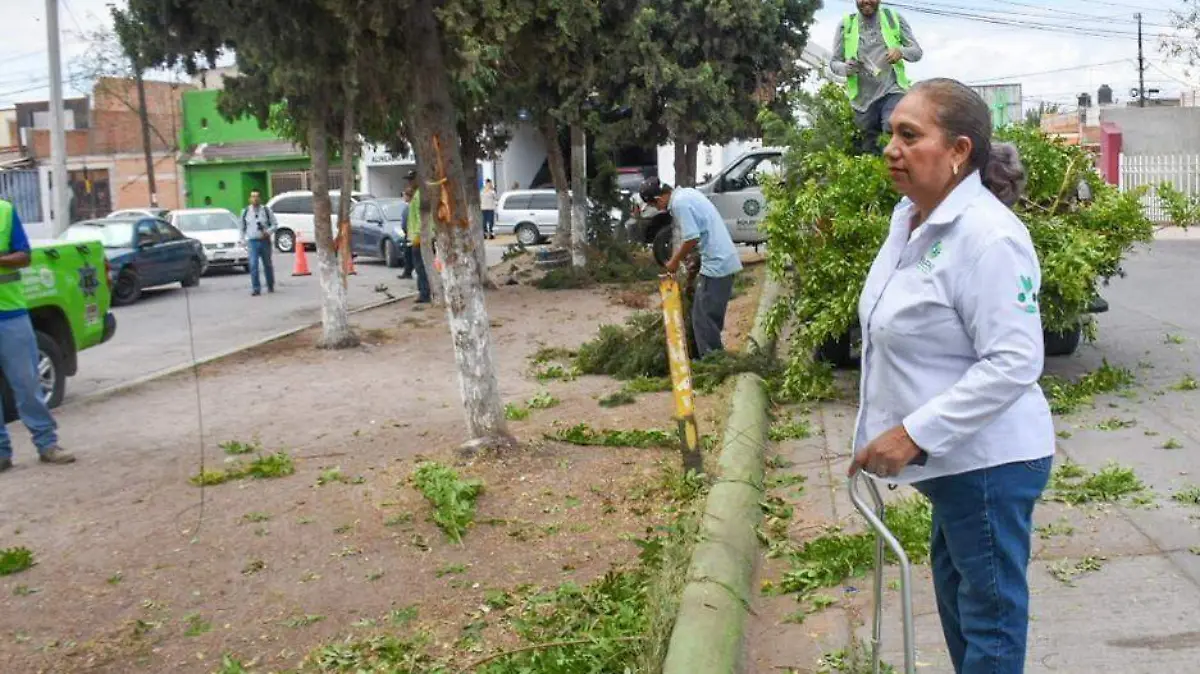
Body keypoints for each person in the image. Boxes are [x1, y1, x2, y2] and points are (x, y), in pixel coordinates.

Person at [848, 78, 1053, 674]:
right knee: (963, 617)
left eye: (910, 136)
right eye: (891, 134)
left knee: (988, 626)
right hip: (953, 466)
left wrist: (913, 433)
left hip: (988, 464)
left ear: (959, 151)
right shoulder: (910, 219)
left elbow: (1015, 361)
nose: (892, 148)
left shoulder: (989, 239)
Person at [0, 200, 75, 471]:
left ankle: (47, 444)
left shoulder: (4, 211)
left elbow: (24, 256)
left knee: (27, 383)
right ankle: (1, 454)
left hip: (10, 312)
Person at [639, 177, 742, 357]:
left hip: (718, 264)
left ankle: (713, 362)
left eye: (655, 205)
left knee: (703, 319)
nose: (658, 209)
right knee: (707, 315)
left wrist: (674, 261)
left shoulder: (679, 204)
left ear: (660, 198)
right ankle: (714, 358)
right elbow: (703, 230)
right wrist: (695, 260)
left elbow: (692, 237)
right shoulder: (687, 193)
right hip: (721, 260)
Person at [830, 0, 923, 156]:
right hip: (862, 103)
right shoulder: (846, 25)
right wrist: (846, 68)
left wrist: (901, 52)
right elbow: (834, 63)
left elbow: (917, 52)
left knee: (891, 128)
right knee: (869, 152)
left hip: (892, 91)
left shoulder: (893, 18)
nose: (866, 1)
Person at [239, 189, 277, 296]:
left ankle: (270, 285)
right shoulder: (245, 211)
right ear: (249, 199)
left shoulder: (266, 210)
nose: (255, 199)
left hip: (264, 241)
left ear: (260, 198)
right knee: (253, 265)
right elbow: (242, 227)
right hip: (252, 242)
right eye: (252, 196)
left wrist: (268, 232)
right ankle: (256, 288)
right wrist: (243, 240)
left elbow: (275, 225)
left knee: (267, 265)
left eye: (257, 196)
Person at [405, 186, 432, 305]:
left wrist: (416, 236)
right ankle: (425, 291)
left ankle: (424, 293)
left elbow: (419, 220)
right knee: (422, 266)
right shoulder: (421, 195)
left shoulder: (418, 198)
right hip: (419, 237)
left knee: (420, 267)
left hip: (419, 239)